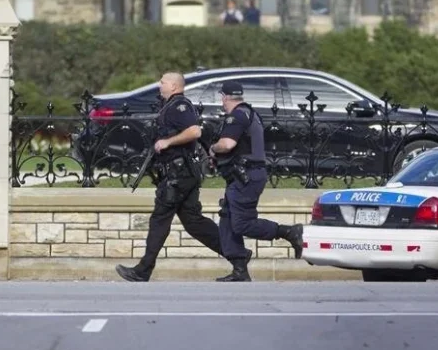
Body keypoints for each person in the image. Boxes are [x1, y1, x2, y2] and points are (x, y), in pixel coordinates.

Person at [115, 72, 243, 282]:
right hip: (182, 174)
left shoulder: (179, 106)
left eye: (163, 82)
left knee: (160, 219)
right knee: (194, 223)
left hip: (179, 176)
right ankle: (239, 257)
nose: (159, 85)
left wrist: (167, 142)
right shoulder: (170, 106)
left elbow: (194, 131)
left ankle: (143, 270)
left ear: (174, 86)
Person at [209, 80, 303, 282]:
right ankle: (239, 270)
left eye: (222, 98)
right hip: (244, 175)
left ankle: (287, 232)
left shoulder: (237, 116)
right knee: (227, 220)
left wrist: (213, 149)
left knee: (241, 223)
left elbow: (227, 144)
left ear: (225, 97)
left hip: (246, 177)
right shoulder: (250, 114)